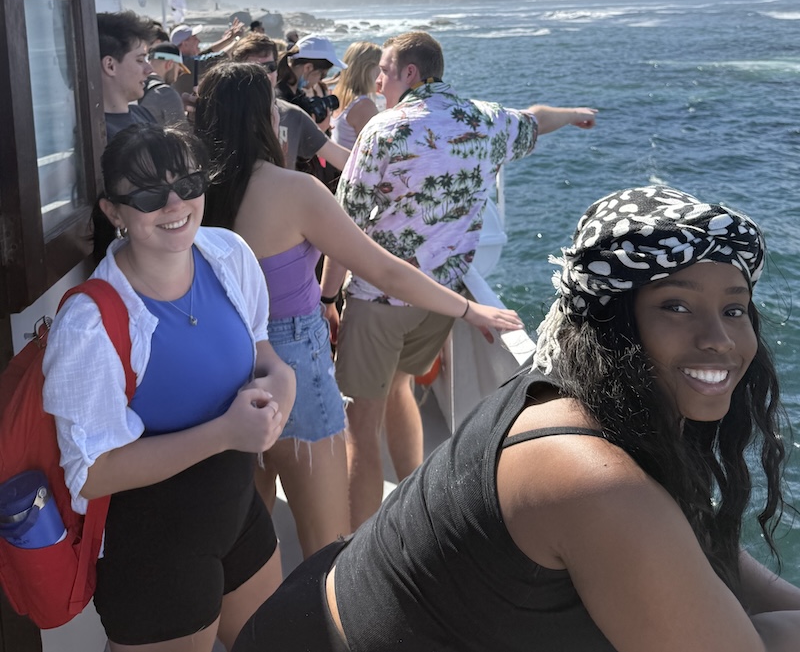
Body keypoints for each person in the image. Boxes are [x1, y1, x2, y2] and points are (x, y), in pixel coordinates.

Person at [234, 185, 800, 652]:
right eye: (675, 306)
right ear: (612, 321)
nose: (719, 339)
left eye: (734, 309)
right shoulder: (593, 478)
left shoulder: (572, 394)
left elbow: (713, 557)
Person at [193, 61, 523, 559]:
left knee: (250, 535)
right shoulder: (294, 191)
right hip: (294, 364)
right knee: (325, 541)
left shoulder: (192, 196)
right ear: (261, 117)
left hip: (220, 365)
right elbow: (386, 270)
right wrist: (466, 310)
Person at [323, 30, 596, 526]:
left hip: (378, 300)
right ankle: (412, 515)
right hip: (440, 301)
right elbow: (536, 117)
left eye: (384, 69)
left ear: (410, 73)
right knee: (402, 388)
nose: (377, 78)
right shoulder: (486, 119)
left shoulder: (384, 129)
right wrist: (575, 113)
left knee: (360, 427)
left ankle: (354, 547)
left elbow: (345, 223)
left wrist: (327, 296)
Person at [42, 125, 296, 651]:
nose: (176, 204)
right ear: (115, 212)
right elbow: (91, 474)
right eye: (151, 195)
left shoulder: (228, 255)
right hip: (154, 550)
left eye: (190, 182)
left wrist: (282, 390)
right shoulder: (92, 324)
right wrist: (228, 432)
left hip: (237, 515)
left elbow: (264, 354)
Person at [230, 32, 350, 173]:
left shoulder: (293, 114)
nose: (264, 75)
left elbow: (341, 158)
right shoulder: (221, 115)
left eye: (270, 67)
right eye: (254, 69)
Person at [97, 10, 157, 141]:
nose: (150, 69)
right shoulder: (99, 134)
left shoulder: (142, 113)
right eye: (140, 60)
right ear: (110, 66)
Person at [330, 41, 381, 150]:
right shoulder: (363, 106)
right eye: (381, 67)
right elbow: (376, 151)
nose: (382, 73)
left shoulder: (339, 94)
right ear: (368, 70)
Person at [139, 40, 190, 126]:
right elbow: (182, 135)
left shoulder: (135, 88)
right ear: (169, 64)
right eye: (179, 71)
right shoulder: (166, 93)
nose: (177, 77)